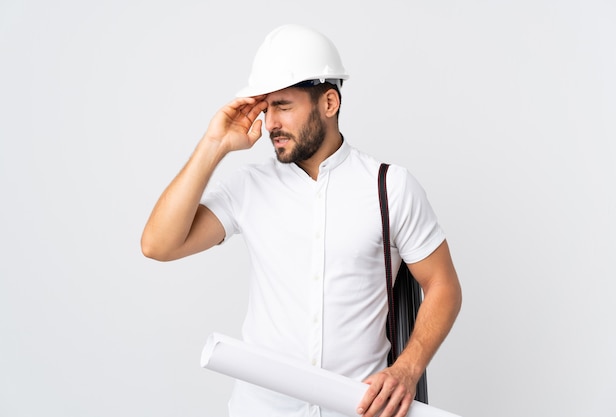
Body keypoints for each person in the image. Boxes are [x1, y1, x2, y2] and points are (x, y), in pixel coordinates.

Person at [141, 24, 462, 417]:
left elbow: (443, 284)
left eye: (284, 106)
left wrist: (407, 369)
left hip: (358, 409)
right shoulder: (249, 187)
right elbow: (158, 245)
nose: (271, 122)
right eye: (267, 106)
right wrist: (214, 145)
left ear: (329, 103)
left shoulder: (390, 187)